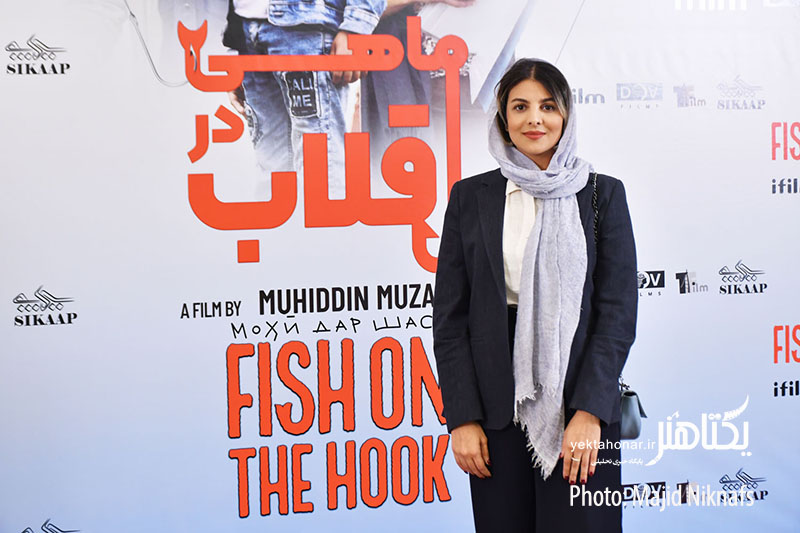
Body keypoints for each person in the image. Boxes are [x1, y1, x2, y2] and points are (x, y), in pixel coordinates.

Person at [432, 58, 637, 532]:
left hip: (578, 407)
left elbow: (616, 314)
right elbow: (451, 321)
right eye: (520, 107)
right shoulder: (471, 197)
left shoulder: (602, 195)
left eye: (548, 106)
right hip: (493, 415)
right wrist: (462, 418)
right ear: (503, 118)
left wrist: (589, 412)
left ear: (566, 113)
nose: (535, 119)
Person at [222, 0, 386, 196]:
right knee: (272, 173)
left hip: (307, 26)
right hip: (246, 29)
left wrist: (357, 26)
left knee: (320, 171)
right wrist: (230, 47)